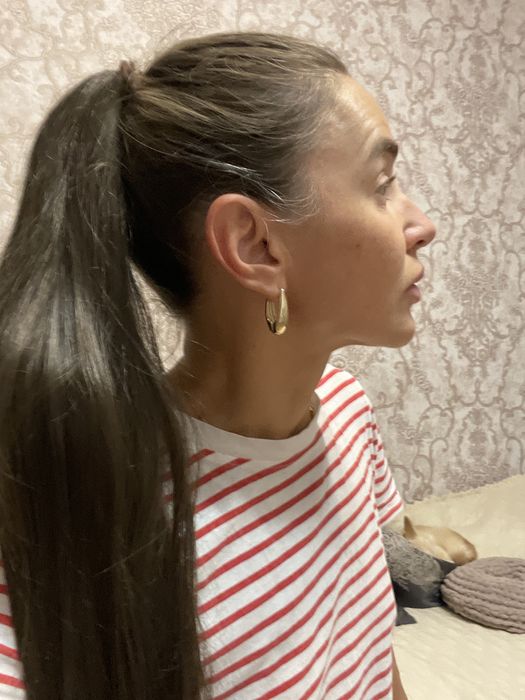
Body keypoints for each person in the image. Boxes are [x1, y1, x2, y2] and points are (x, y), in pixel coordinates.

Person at [0, 31, 435, 699]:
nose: (421, 224)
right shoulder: (103, 512)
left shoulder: (348, 411)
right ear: (255, 245)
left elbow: (371, 650)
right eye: (381, 186)